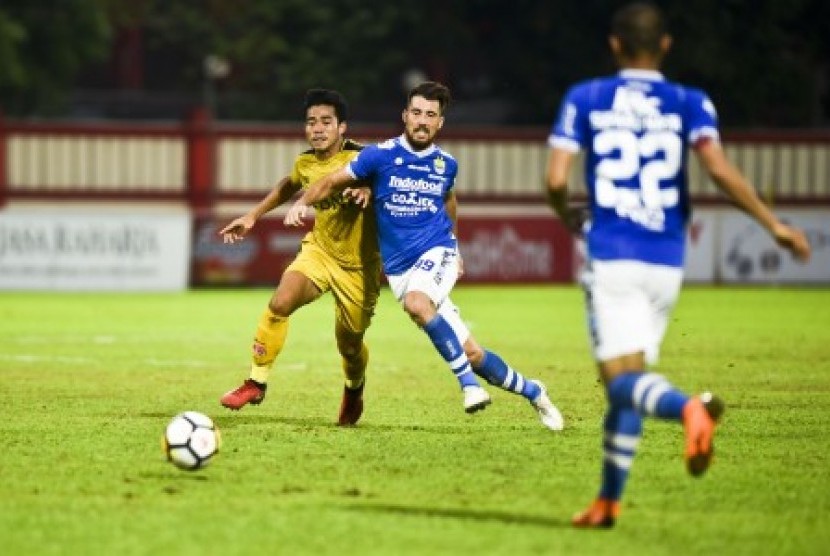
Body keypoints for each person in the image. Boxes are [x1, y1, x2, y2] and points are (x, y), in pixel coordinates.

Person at [545, 2, 812, 528]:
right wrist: (774, 224)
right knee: (632, 376)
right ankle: (609, 502)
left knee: (618, 381)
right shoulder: (690, 101)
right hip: (667, 258)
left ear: (615, 45)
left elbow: (556, 181)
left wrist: (566, 215)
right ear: (665, 46)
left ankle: (690, 406)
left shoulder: (588, 96)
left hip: (613, 252)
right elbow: (717, 169)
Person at [284, 81, 564, 431]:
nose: (421, 120)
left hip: (436, 253)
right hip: (401, 270)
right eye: (416, 112)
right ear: (405, 116)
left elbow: (449, 203)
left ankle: (469, 387)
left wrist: (455, 247)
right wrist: (301, 203)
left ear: (440, 123)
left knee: (418, 304)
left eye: (430, 115)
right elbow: (329, 181)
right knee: (473, 354)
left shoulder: (446, 163)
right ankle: (535, 391)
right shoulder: (380, 156)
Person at [218, 88, 381, 426]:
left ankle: (354, 388)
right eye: (311, 122)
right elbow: (288, 185)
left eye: (326, 122)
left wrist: (368, 190)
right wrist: (252, 216)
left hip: (360, 268)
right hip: (319, 252)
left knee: (349, 347)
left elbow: (389, 184)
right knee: (280, 302)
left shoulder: (364, 158)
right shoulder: (306, 162)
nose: (317, 129)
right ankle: (256, 382)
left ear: (342, 127)